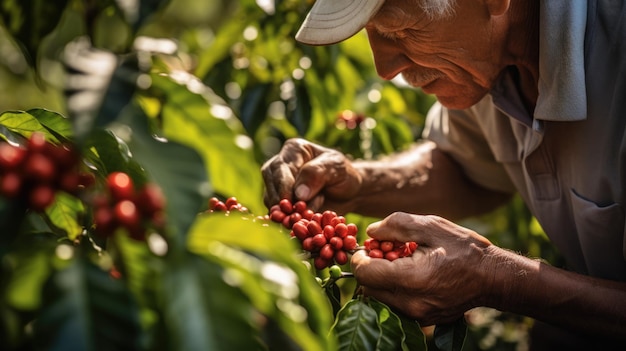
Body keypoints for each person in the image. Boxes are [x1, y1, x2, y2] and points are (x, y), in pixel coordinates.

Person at [261, 0, 626, 349]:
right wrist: (360, 182)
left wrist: (499, 280)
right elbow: (465, 166)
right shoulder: (480, 58)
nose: (385, 69)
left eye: (400, 29)